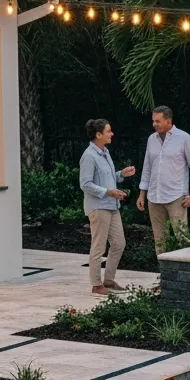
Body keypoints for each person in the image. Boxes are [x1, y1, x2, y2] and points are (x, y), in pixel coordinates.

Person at [79, 118, 136, 296]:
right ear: (98, 134)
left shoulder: (105, 152)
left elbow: (107, 178)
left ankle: (109, 280)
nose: (111, 134)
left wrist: (121, 174)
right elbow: (85, 184)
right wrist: (108, 192)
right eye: (108, 131)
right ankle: (96, 284)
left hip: (112, 206)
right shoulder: (89, 156)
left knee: (119, 243)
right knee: (98, 246)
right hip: (98, 207)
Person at [136, 105, 190, 254]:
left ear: (168, 121)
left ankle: (185, 274)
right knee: (160, 241)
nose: (154, 124)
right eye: (153, 121)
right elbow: (147, 168)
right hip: (154, 197)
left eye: (158, 121)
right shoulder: (151, 139)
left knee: (182, 239)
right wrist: (142, 194)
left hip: (176, 197)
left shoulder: (184, 138)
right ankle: (163, 275)